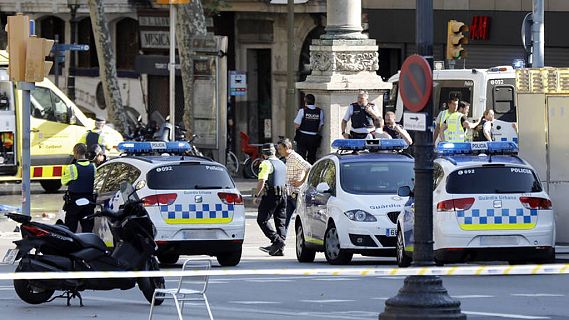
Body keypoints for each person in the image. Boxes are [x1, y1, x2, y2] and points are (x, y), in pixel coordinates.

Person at [254, 143, 287, 256]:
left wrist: (256, 195)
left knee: (262, 219)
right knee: (280, 221)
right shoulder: (282, 163)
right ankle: (279, 249)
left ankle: (278, 241)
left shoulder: (266, 163)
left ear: (263, 154)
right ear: (274, 152)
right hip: (283, 195)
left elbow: (262, 180)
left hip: (272, 195)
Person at [276, 138, 312, 233]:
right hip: (288, 194)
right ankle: (279, 243)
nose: (278, 151)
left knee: (302, 221)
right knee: (284, 220)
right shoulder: (287, 158)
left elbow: (309, 167)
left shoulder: (295, 157)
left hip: (296, 195)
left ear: (287, 148)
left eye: (280, 149)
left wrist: (301, 181)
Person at [61, 143, 96, 233]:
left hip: (74, 202)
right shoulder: (93, 167)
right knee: (87, 229)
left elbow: (64, 182)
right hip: (89, 202)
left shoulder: (72, 168)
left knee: (70, 229)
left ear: (76, 153)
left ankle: (72, 247)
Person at [294, 94, 324, 164]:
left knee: (301, 157)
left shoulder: (302, 110)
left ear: (305, 102)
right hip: (314, 138)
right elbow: (320, 126)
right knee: (312, 157)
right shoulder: (320, 111)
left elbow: (297, 125)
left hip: (302, 137)